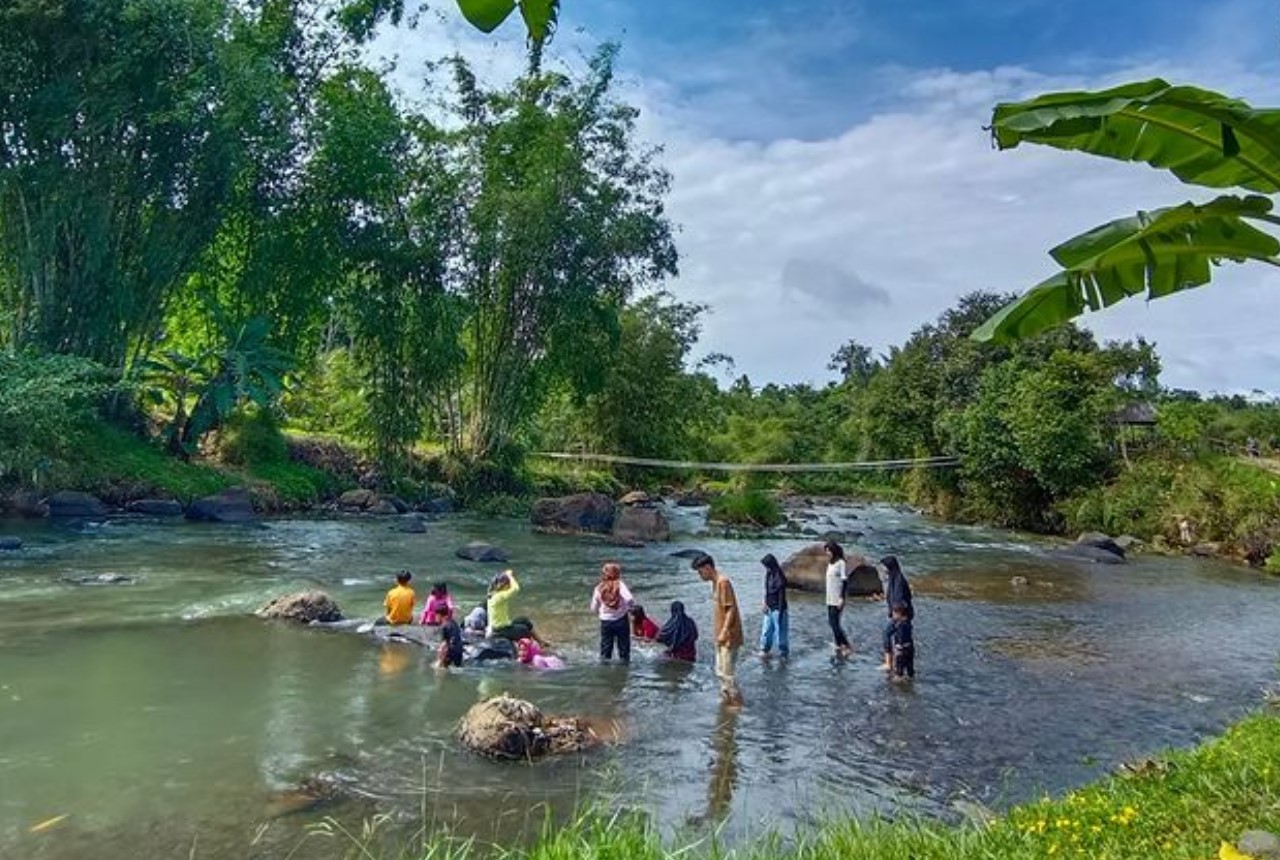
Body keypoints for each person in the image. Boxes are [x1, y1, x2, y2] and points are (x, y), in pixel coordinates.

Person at [692, 553, 744, 707]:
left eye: (700, 572)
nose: (700, 576)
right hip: (722, 635)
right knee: (719, 672)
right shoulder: (715, 583)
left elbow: (730, 609)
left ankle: (737, 705)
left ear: (708, 568)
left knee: (727, 674)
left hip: (728, 636)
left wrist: (724, 632)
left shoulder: (723, 582)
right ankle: (727, 701)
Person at [590, 562, 635, 663]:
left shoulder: (598, 588)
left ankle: (604, 673)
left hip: (605, 621)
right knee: (624, 649)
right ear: (617, 573)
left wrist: (601, 612)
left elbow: (593, 608)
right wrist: (629, 608)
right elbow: (630, 599)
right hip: (621, 620)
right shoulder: (620, 585)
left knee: (605, 649)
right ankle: (624, 673)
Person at [879, 555, 915, 671]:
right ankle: (899, 666)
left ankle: (891, 664)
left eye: (884, 567)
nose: (883, 569)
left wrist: (896, 614)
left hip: (901, 616)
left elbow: (899, 599)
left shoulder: (898, 580)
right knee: (900, 641)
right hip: (900, 615)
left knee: (892, 637)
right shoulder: (894, 577)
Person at [758, 553, 789, 659]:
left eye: (767, 566)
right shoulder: (768, 574)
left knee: (780, 632)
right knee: (766, 630)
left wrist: (780, 613)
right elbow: (767, 591)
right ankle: (765, 649)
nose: (766, 568)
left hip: (779, 609)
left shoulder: (779, 577)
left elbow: (781, 597)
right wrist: (764, 603)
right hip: (769, 607)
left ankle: (783, 653)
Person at [824, 541, 852, 656]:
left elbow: (845, 581)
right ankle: (838, 644)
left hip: (837, 598)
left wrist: (841, 598)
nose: (827, 553)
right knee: (831, 622)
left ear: (834, 551)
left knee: (835, 624)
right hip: (829, 597)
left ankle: (846, 645)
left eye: (828, 551)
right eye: (826, 551)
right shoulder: (830, 563)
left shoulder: (841, 563)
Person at [886, 602, 914, 680]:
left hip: (900, 650)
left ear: (898, 613)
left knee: (899, 672)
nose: (893, 615)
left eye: (894, 613)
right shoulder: (908, 623)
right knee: (910, 669)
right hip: (909, 648)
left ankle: (897, 682)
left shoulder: (898, 624)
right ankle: (909, 677)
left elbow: (888, 634)